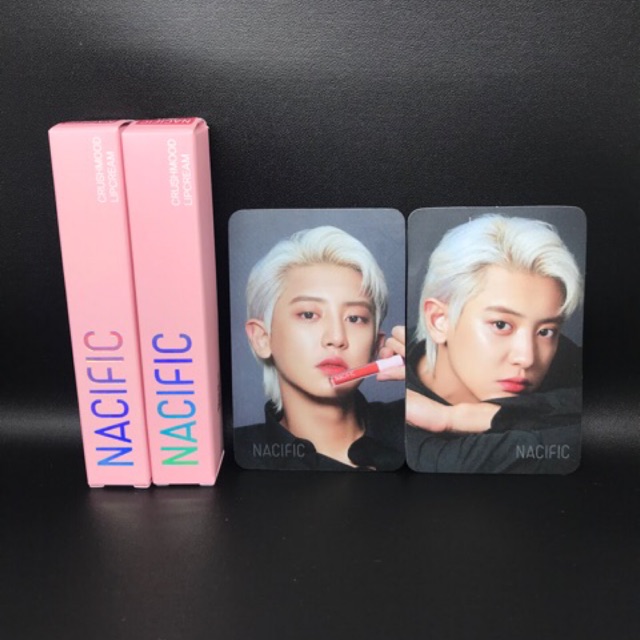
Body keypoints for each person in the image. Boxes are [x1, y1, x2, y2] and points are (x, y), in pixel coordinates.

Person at [404, 214, 584, 473]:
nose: (526, 358)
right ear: (439, 320)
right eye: (501, 325)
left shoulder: (565, 361)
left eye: (545, 331)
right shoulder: (396, 410)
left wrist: (466, 417)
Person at [234, 225, 405, 471]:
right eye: (308, 314)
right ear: (262, 338)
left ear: (376, 345)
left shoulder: (412, 426)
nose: (336, 338)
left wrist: (433, 383)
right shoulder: (238, 453)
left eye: (355, 318)